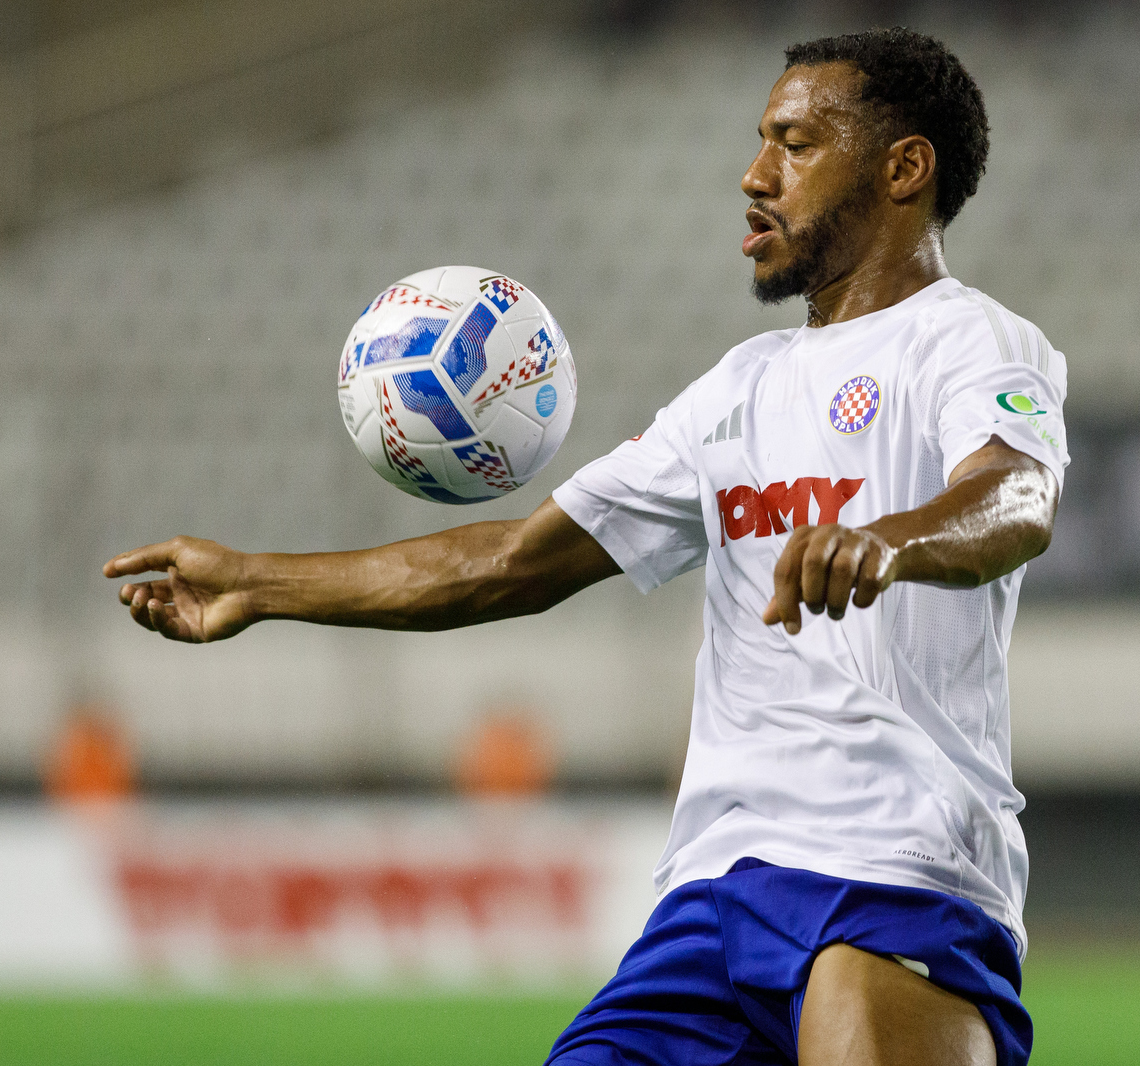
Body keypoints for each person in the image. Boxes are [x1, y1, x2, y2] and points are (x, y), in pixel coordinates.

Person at [105, 27, 1067, 1066]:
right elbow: (515, 560)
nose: (753, 175)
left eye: (793, 144)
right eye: (760, 143)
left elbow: (1013, 493)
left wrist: (890, 539)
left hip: (892, 869)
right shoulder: (733, 390)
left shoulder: (971, 339)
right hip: (709, 897)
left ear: (903, 167)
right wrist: (257, 582)